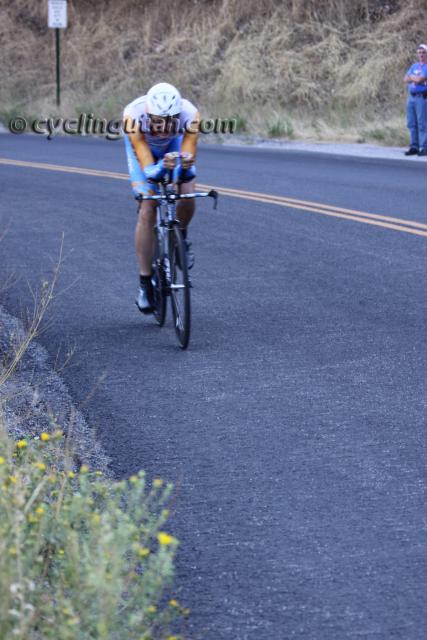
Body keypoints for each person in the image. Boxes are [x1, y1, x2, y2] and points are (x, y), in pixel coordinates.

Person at [123, 82, 200, 313]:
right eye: (158, 121)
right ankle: (145, 283)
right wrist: (162, 167)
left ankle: (180, 239)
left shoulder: (191, 114)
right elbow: (150, 172)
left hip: (173, 148)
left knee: (187, 193)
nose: (165, 127)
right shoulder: (132, 116)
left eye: (171, 121)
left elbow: (187, 170)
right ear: (148, 115)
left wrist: (184, 167)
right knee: (148, 208)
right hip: (143, 151)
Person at [404, 44, 427, 156]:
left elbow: (420, 79)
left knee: (422, 123)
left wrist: (412, 78)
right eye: (419, 52)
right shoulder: (414, 66)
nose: (421, 54)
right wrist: (414, 78)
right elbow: (405, 79)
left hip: (422, 97)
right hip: (411, 97)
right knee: (412, 123)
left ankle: (425, 147)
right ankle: (414, 146)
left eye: (423, 52)